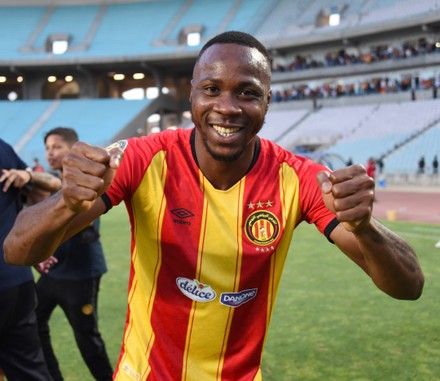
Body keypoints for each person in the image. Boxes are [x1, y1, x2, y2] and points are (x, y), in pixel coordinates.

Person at [4, 31, 424, 380]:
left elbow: (409, 286)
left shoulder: (298, 178)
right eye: (211, 89)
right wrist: (67, 202)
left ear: (267, 102)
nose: (227, 107)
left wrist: (366, 227)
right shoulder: (142, 157)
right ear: (192, 96)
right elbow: (18, 250)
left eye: (247, 92)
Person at [35, 127, 113, 381]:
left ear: (73, 150)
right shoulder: (45, 182)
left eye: (56, 147)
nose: (50, 153)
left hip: (81, 274)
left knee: (86, 339)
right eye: (47, 148)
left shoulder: (87, 181)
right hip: (52, 272)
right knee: (33, 325)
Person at [0, 138, 60, 381]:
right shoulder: (3, 148)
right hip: (16, 280)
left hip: (14, 278)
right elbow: (41, 191)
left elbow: (47, 188)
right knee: (29, 370)